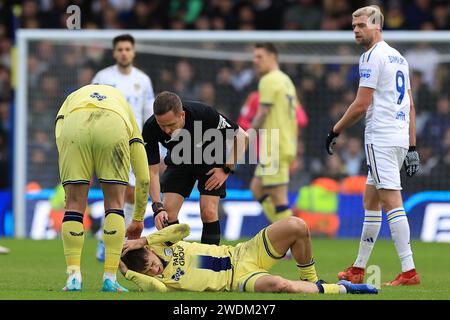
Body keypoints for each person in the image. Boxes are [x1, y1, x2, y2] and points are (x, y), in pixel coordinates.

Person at [325, 5, 421, 286]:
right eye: (353, 26)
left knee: (391, 201)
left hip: (381, 137)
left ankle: (409, 270)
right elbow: (410, 106)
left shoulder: (371, 56)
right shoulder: (398, 57)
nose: (356, 30)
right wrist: (412, 147)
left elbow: (361, 105)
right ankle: (358, 267)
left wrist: (335, 130)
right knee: (371, 200)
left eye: (361, 26)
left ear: (377, 26)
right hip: (399, 137)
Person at [119, 217, 378, 295]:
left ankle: (312, 279)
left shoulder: (163, 243)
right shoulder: (161, 281)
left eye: (151, 264)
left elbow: (184, 228)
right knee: (277, 285)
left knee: (297, 226)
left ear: (150, 251)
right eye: (148, 271)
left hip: (243, 252)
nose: (154, 270)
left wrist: (144, 239)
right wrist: (125, 270)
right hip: (239, 280)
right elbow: (156, 288)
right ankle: (342, 290)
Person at [55, 84, 150, 292]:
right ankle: (109, 278)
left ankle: (73, 277)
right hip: (112, 125)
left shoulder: (73, 96)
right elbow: (143, 178)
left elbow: (60, 132)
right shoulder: (123, 106)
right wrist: (138, 218)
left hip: (74, 125)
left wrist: (67, 186)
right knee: (115, 205)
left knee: (73, 206)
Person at [136, 91, 248, 245]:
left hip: (211, 160)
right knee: (167, 215)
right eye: (162, 125)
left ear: (182, 115)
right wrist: (157, 207)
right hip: (179, 162)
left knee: (208, 212)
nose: (166, 130)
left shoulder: (203, 114)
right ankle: (178, 262)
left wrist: (226, 169)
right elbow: (152, 171)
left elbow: (242, 137)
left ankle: (209, 264)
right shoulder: (151, 127)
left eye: (171, 125)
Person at [91, 34, 155, 262]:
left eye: (128, 49)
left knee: (132, 192)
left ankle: (115, 240)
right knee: (116, 193)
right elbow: (91, 107)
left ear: (133, 52)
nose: (124, 53)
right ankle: (105, 239)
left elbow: (149, 112)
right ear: (114, 52)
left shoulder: (143, 80)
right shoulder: (103, 77)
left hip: (135, 141)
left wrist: (154, 142)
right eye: (120, 49)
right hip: (110, 141)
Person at [250, 43, 299, 224]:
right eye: (254, 57)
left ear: (273, 57)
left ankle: (292, 239)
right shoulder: (286, 80)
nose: (255, 61)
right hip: (282, 143)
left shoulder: (269, 80)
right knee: (257, 189)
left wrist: (246, 136)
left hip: (275, 146)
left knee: (278, 197)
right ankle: (285, 234)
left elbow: (262, 113)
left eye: (260, 57)